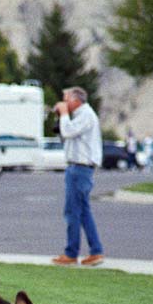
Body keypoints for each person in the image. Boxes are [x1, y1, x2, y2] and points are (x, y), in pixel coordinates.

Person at [51, 87, 105, 266]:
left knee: (72, 212)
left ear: (76, 100)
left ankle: (71, 253)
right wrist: (61, 117)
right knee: (82, 212)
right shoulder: (81, 116)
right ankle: (95, 251)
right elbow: (63, 133)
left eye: (66, 99)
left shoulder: (86, 115)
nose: (63, 103)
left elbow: (68, 132)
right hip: (77, 168)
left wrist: (64, 114)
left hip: (80, 169)